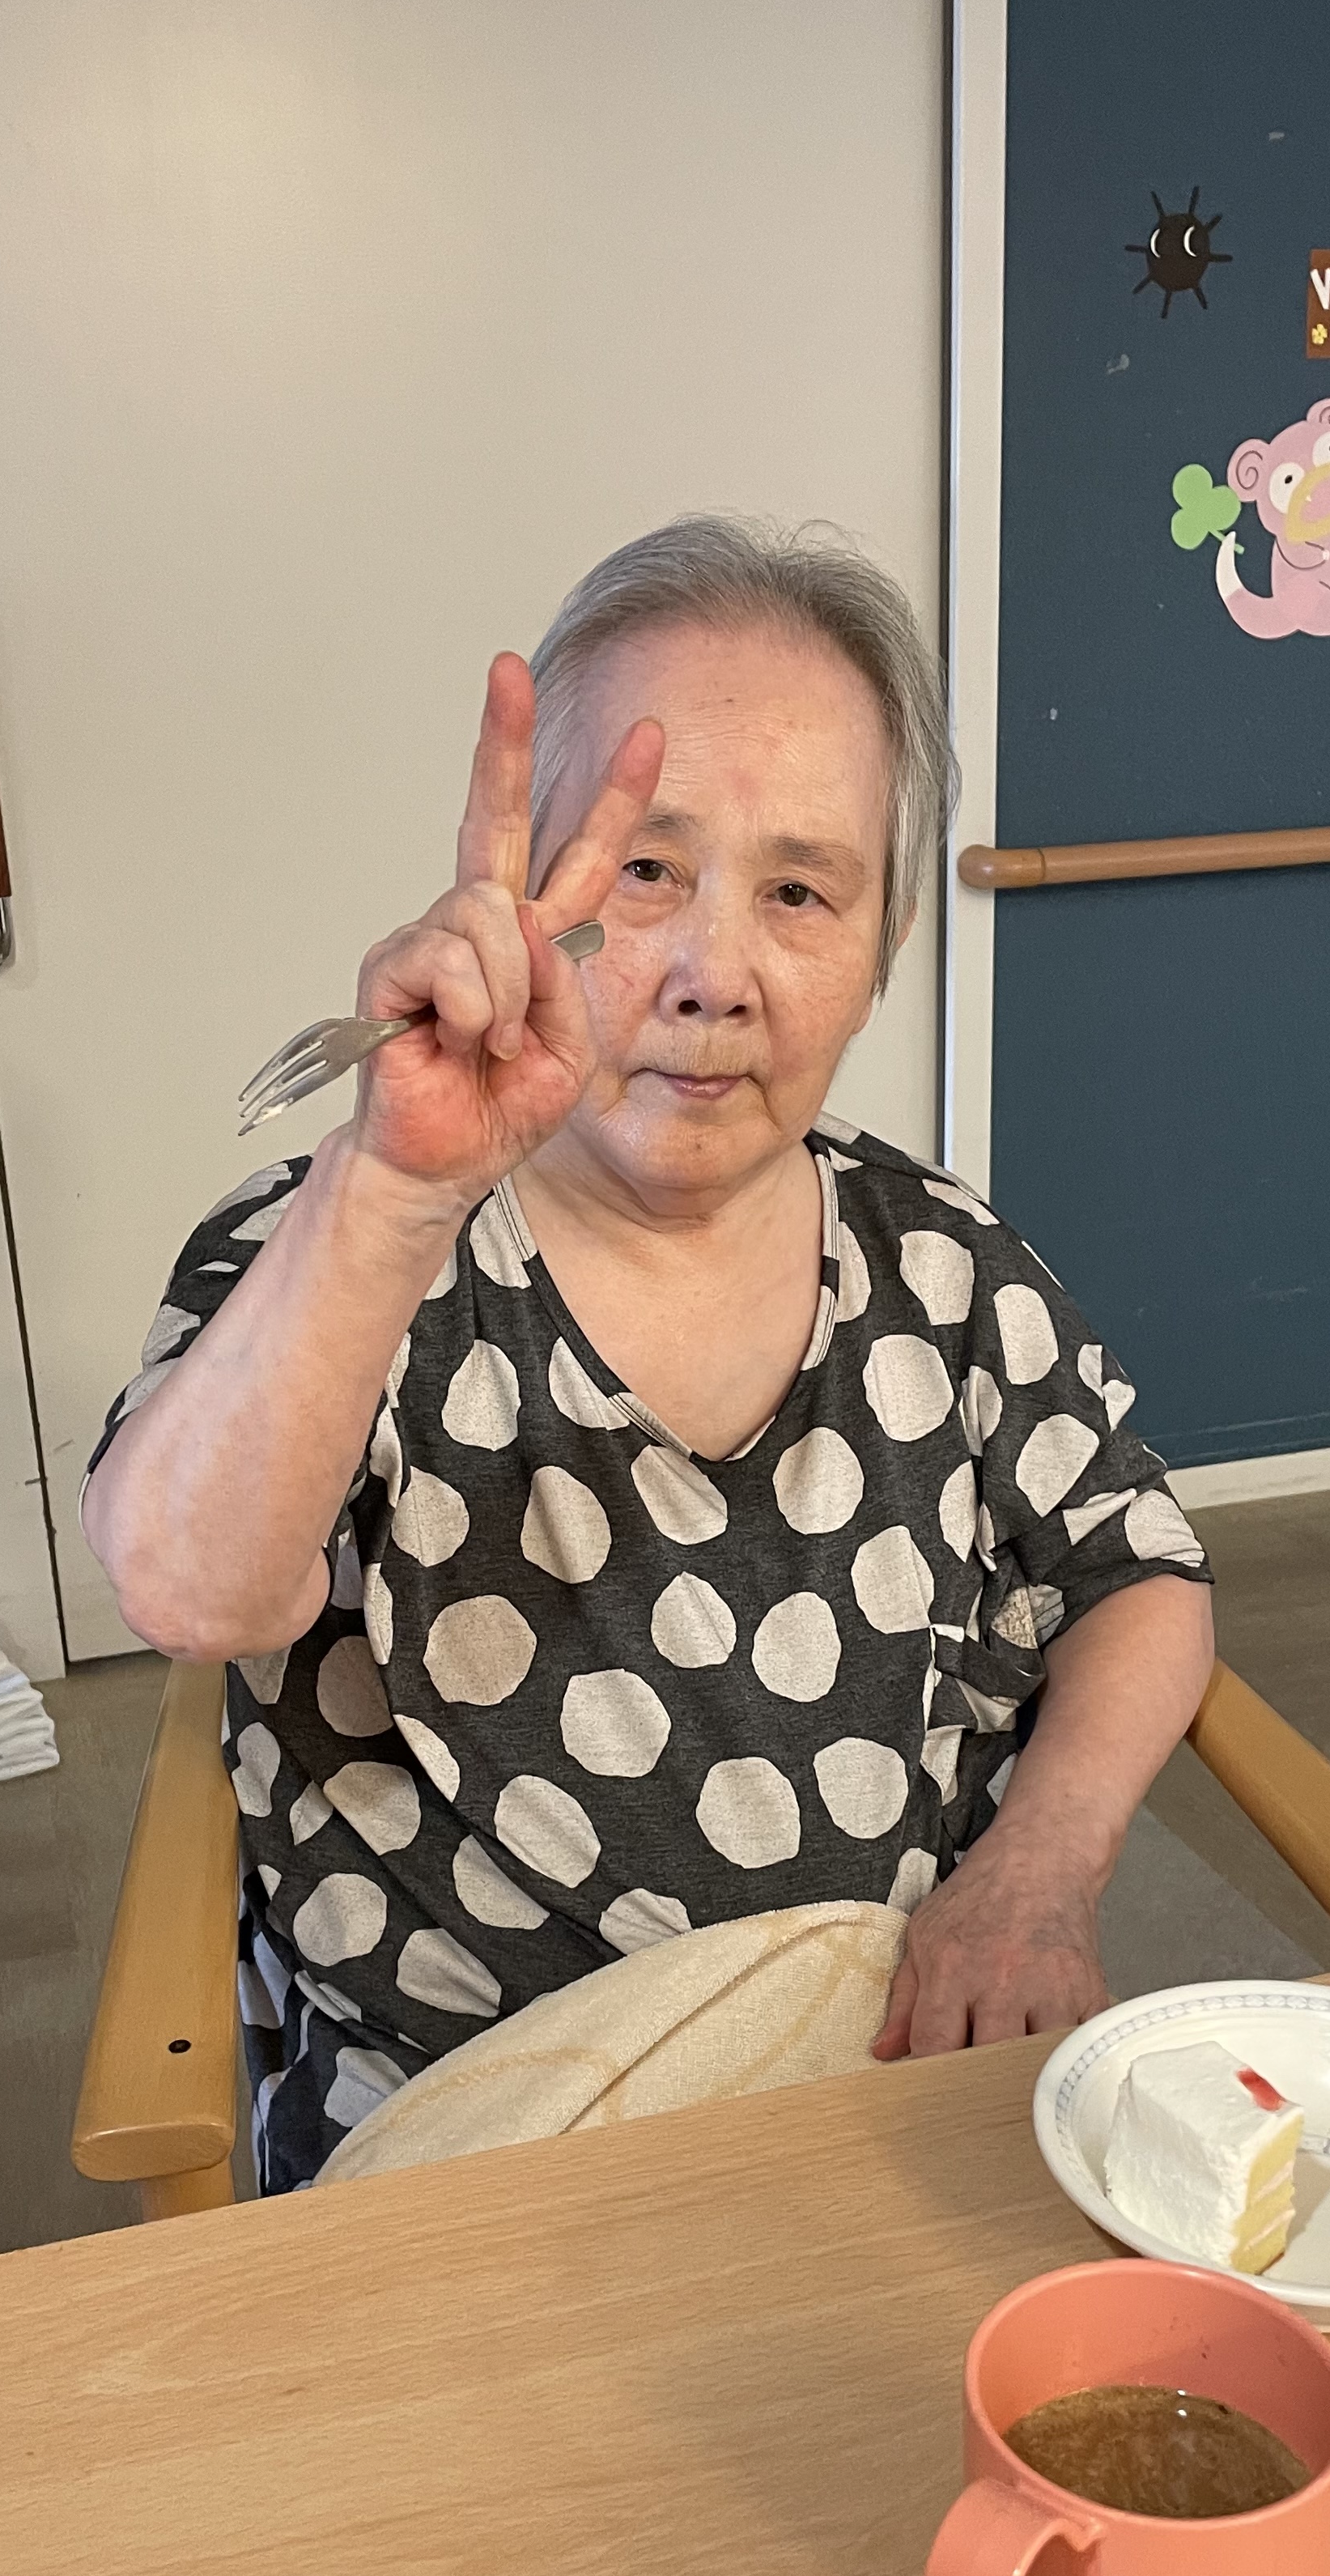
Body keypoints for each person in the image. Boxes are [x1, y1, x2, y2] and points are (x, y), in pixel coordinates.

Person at [84, 518, 1214, 2191]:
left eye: (801, 893)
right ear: (516, 905)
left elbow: (1137, 1569)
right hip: (474, 2146)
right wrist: (391, 1197)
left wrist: (1038, 1868)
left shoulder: (942, 1259)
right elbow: (187, 1594)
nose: (713, 978)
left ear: (885, 946)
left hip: (881, 2090)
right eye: (643, 874)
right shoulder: (337, 1239)